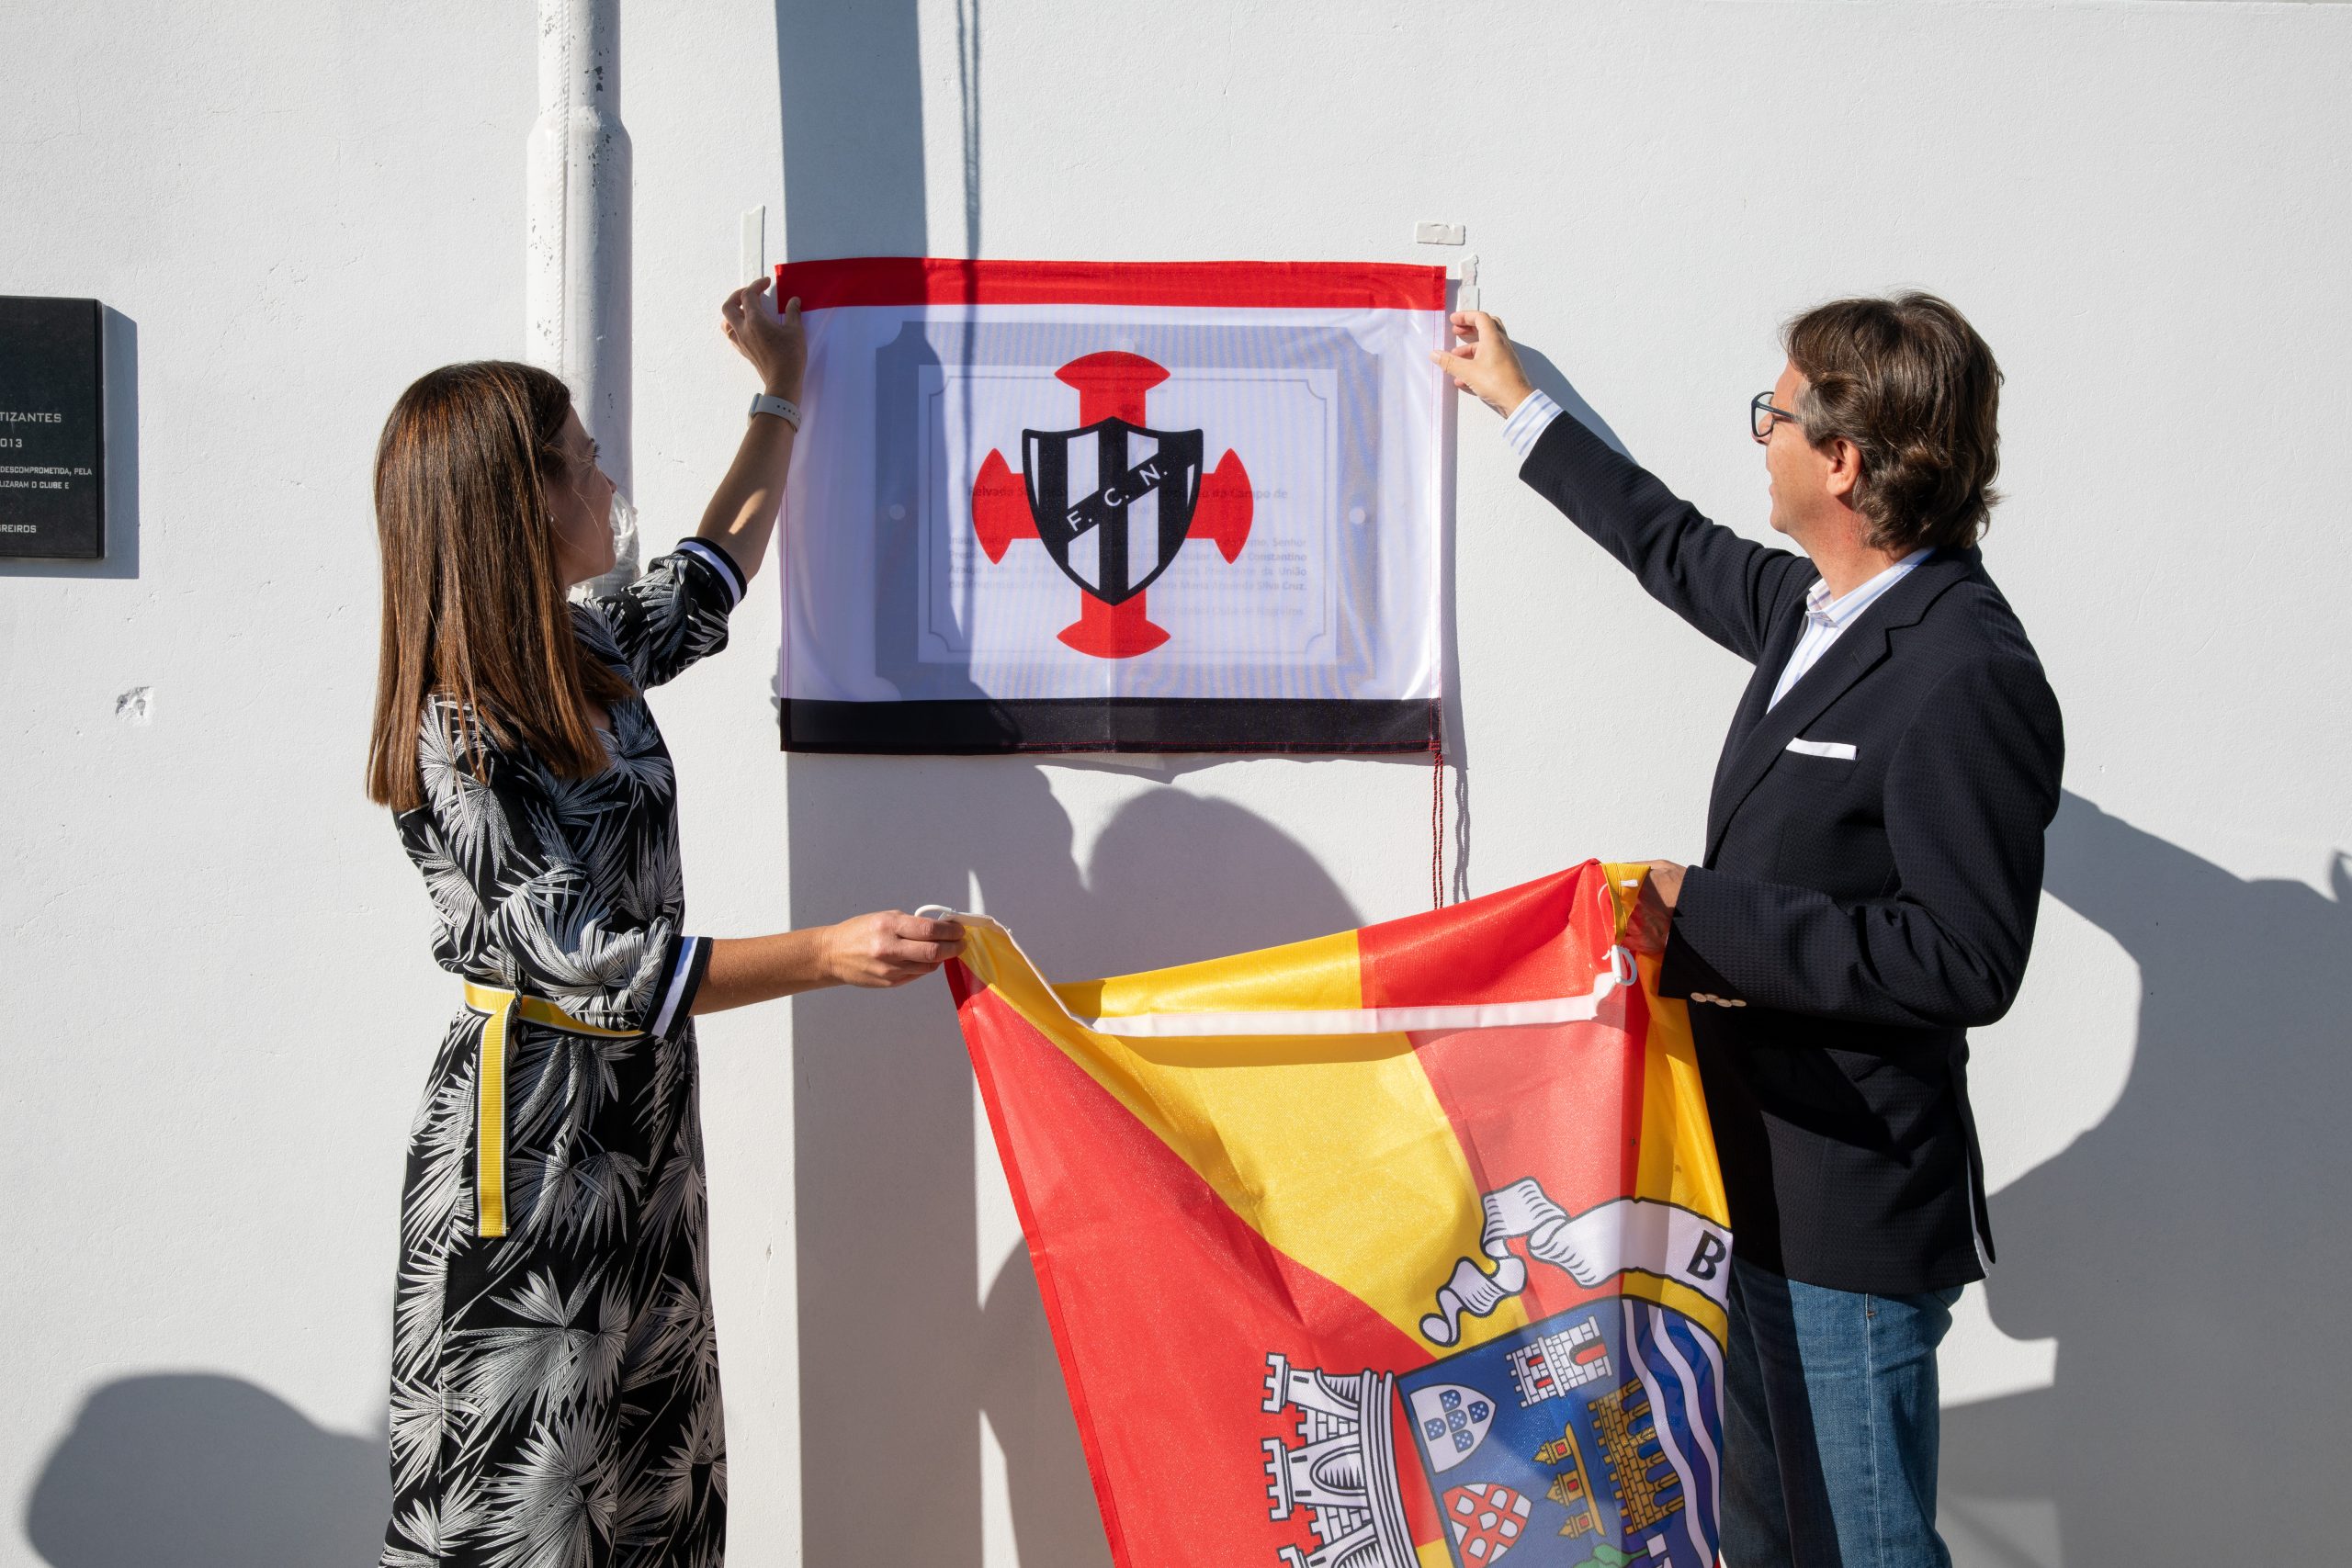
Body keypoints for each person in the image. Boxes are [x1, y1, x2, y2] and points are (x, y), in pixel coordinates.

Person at [1437, 294, 2064, 1567]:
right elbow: (1666, 543)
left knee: (1868, 1551)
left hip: (1847, 1213)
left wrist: (1703, 914)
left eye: (1772, 415)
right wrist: (1517, 403)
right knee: (1764, 1542)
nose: (1760, 437)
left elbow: (1966, 957)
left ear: (1841, 460)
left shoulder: (1966, 670)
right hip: (1740, 1191)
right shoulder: (1815, 611)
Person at [363, 279, 962, 1568]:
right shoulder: (459, 730)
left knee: (651, 1490)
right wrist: (827, 956)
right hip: (525, 1160)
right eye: (582, 463)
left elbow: (714, 568)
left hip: (636, 1136)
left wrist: (781, 386)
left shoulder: (575, 654)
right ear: (519, 504)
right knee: (527, 1510)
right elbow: (595, 969)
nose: (607, 480)